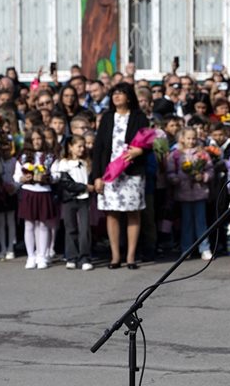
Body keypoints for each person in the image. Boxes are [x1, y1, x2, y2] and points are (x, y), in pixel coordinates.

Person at [91, 82, 149, 270]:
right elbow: (99, 148)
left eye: (121, 93)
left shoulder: (139, 117)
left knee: (133, 212)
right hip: (110, 173)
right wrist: (97, 176)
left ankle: (131, 256)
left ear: (129, 97)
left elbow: (149, 143)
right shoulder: (107, 118)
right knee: (112, 213)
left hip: (132, 173)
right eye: (114, 93)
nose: (117, 96)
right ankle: (115, 256)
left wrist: (139, 152)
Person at [14, 128, 60, 270]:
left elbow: (56, 175)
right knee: (29, 225)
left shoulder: (50, 157)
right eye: (33, 139)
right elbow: (16, 176)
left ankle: (42, 255)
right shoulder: (22, 157)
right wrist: (23, 178)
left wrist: (47, 178)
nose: (36, 142)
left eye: (39, 139)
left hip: (44, 192)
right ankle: (31, 256)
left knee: (43, 225)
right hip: (28, 192)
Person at [165, 127, 214, 260]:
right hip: (183, 192)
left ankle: (204, 247)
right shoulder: (176, 154)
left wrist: (203, 176)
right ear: (182, 138)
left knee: (201, 222)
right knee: (186, 222)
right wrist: (174, 179)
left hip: (199, 192)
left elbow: (210, 170)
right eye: (188, 138)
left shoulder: (202, 154)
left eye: (193, 138)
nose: (191, 141)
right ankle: (186, 248)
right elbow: (170, 171)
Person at [54, 135, 94, 271]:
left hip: (84, 200)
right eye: (79, 146)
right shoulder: (64, 163)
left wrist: (88, 188)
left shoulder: (86, 163)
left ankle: (84, 257)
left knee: (84, 229)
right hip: (70, 200)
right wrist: (83, 187)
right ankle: (71, 257)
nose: (82, 149)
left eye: (83, 146)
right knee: (70, 228)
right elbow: (66, 183)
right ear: (70, 147)